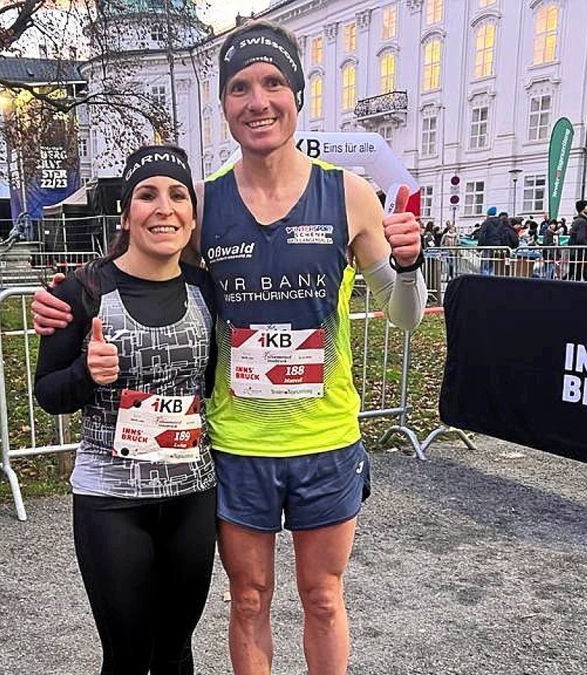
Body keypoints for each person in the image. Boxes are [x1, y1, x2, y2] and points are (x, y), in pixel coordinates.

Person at [32, 20, 426, 675]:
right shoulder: (207, 202)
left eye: (274, 83)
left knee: (323, 599)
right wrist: (68, 298)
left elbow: (405, 317)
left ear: (297, 95)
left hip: (325, 439)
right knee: (247, 599)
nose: (258, 100)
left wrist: (410, 267)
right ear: (225, 104)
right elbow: (145, 264)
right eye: (240, 87)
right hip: (237, 444)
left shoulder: (350, 193)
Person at [33, 145, 217, 675]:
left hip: (191, 492)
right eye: (147, 194)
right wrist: (87, 376)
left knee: (176, 651)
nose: (164, 207)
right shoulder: (83, 289)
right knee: (128, 656)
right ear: (126, 213)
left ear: (191, 216)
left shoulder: (207, 289)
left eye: (178, 195)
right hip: (111, 498)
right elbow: (47, 395)